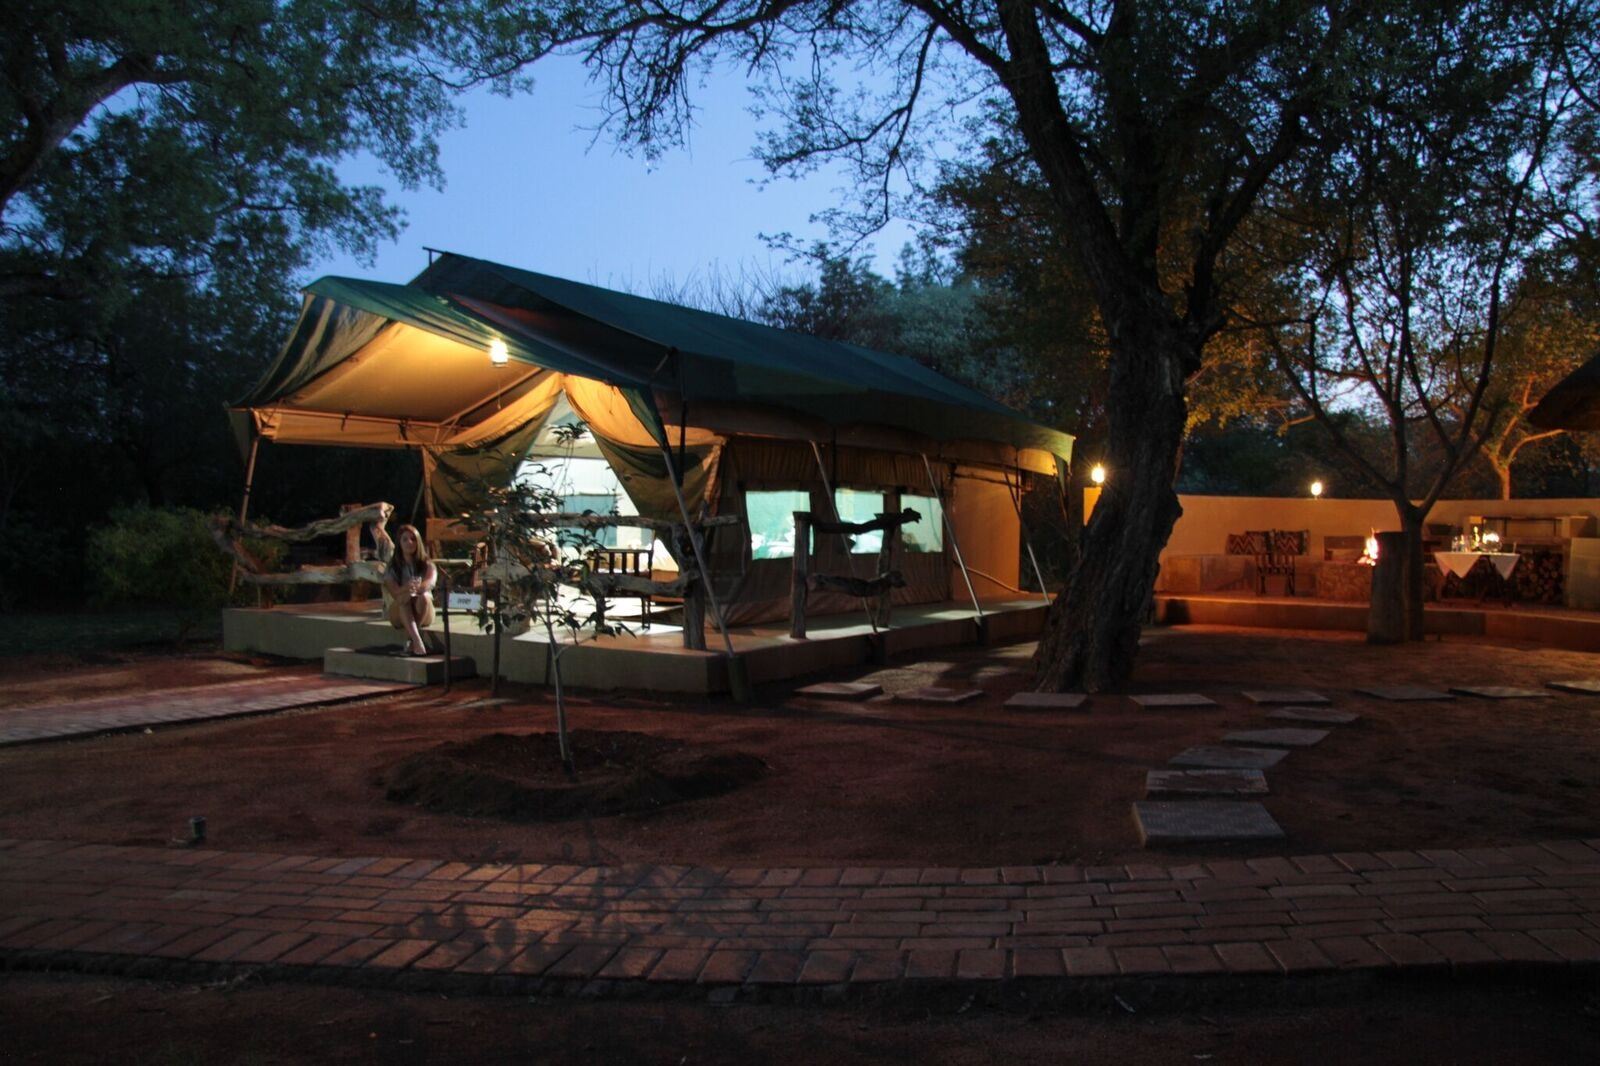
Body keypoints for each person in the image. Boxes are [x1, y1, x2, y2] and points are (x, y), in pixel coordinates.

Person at [383, 524, 436, 656]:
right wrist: (407, 588)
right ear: (399, 543)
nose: (409, 542)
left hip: (423, 609)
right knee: (403, 599)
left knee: (423, 596)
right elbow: (394, 592)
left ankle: (412, 640)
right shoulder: (392, 567)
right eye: (405, 539)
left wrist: (416, 589)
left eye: (413, 539)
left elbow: (430, 582)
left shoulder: (427, 564)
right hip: (400, 610)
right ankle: (417, 640)